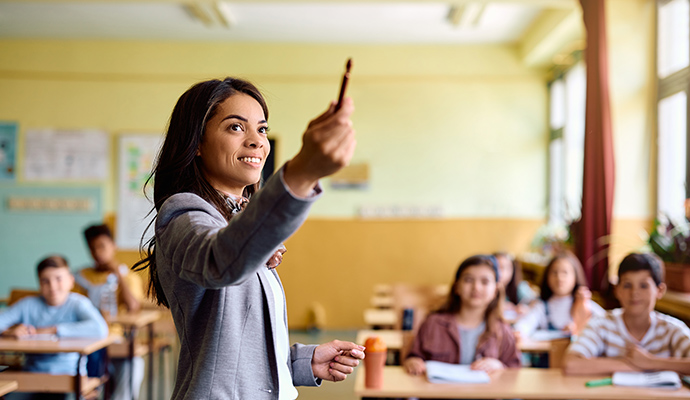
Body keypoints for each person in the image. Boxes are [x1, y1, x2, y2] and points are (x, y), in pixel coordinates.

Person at [132, 77, 363, 399]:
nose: (257, 141)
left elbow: (235, 342)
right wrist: (302, 172)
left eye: (262, 129)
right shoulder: (183, 216)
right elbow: (219, 261)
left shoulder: (241, 223)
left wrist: (300, 362)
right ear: (196, 142)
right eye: (236, 128)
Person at [0, 255, 109, 399]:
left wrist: (54, 329)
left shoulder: (78, 303)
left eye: (59, 279)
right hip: (31, 375)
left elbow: (100, 329)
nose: (52, 287)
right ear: (39, 283)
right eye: (45, 281)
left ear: (71, 281)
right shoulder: (28, 304)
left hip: (69, 377)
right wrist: (9, 332)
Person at [564, 253, 690, 375]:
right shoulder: (602, 324)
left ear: (659, 290)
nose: (634, 292)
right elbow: (571, 363)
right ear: (617, 290)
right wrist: (633, 365)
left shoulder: (672, 329)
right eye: (627, 285)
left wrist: (650, 362)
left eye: (643, 285)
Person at [403, 255, 521, 376]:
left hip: (484, 395)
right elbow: (414, 356)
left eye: (485, 282)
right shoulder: (432, 323)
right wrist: (413, 362)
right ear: (457, 287)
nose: (476, 287)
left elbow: (514, 369)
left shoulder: (502, 330)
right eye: (468, 280)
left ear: (495, 290)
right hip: (440, 393)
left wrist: (499, 366)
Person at [75, 224, 145, 400]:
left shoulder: (128, 277)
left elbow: (133, 307)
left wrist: (118, 275)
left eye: (102, 246)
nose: (97, 253)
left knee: (134, 364)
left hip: (115, 337)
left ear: (113, 245)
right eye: (92, 248)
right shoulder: (80, 277)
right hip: (86, 339)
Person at [513, 251, 605, 338]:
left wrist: (579, 328)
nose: (559, 278)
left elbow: (605, 324)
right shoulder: (541, 306)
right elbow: (525, 325)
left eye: (565, 272)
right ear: (547, 277)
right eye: (554, 272)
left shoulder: (585, 304)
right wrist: (519, 332)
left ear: (575, 276)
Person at [494, 252, 536, 318]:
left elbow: (535, 302)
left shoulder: (520, 286)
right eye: (496, 267)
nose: (499, 272)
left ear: (513, 271)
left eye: (504, 268)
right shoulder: (487, 288)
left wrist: (525, 308)